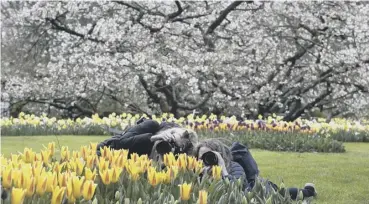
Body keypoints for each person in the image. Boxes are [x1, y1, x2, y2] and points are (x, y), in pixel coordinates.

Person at [193, 139, 317, 200]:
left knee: (281, 196)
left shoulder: (233, 167)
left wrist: (223, 170)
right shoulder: (195, 173)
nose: (205, 160)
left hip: (255, 191)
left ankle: (308, 191)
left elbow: (236, 188)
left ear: (219, 155)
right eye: (201, 157)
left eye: (209, 156)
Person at [96, 118, 198, 162]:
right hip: (105, 152)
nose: (168, 143)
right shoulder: (151, 126)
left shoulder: (171, 154)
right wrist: (152, 138)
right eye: (171, 137)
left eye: (174, 144)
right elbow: (119, 145)